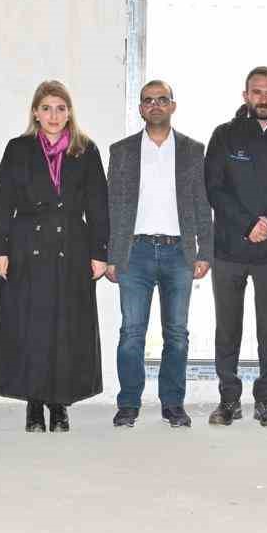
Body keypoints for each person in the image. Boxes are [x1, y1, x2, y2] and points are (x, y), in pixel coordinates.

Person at [0, 80, 109, 432]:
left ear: (69, 113)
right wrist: (1, 249)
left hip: (72, 247)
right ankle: (34, 403)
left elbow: (98, 205)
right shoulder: (18, 148)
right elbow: (1, 202)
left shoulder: (86, 150)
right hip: (27, 247)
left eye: (60, 108)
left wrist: (99, 252)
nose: (53, 115)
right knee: (31, 327)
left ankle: (59, 405)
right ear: (35, 113)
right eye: (46, 108)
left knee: (65, 328)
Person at [105, 79, 213, 429]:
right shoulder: (122, 151)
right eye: (148, 100)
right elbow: (111, 205)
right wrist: (111, 255)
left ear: (172, 106)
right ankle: (128, 404)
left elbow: (202, 204)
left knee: (177, 334)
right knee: (131, 333)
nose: (155, 105)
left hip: (178, 253)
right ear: (140, 108)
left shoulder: (192, 150)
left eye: (162, 99)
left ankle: (173, 404)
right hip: (133, 253)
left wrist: (205, 251)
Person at [204, 66, 267, 428]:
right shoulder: (224, 135)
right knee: (227, 329)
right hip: (229, 249)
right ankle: (228, 400)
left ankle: (266, 400)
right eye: (257, 91)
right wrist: (248, 224)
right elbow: (214, 188)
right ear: (245, 95)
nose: (263, 98)